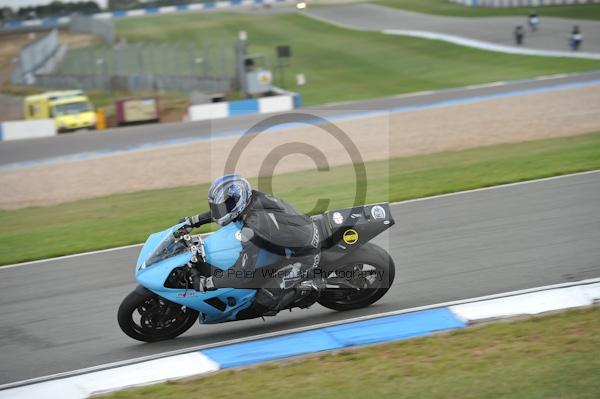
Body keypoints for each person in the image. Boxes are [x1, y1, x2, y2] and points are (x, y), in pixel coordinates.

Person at [181, 174, 321, 316]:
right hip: (295, 232)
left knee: (263, 302)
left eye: (225, 205)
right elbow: (225, 211)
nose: (220, 210)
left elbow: (241, 274)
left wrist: (207, 283)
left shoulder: (253, 227)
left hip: (304, 256)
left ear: (239, 200)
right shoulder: (252, 197)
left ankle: (311, 287)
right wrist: (193, 221)